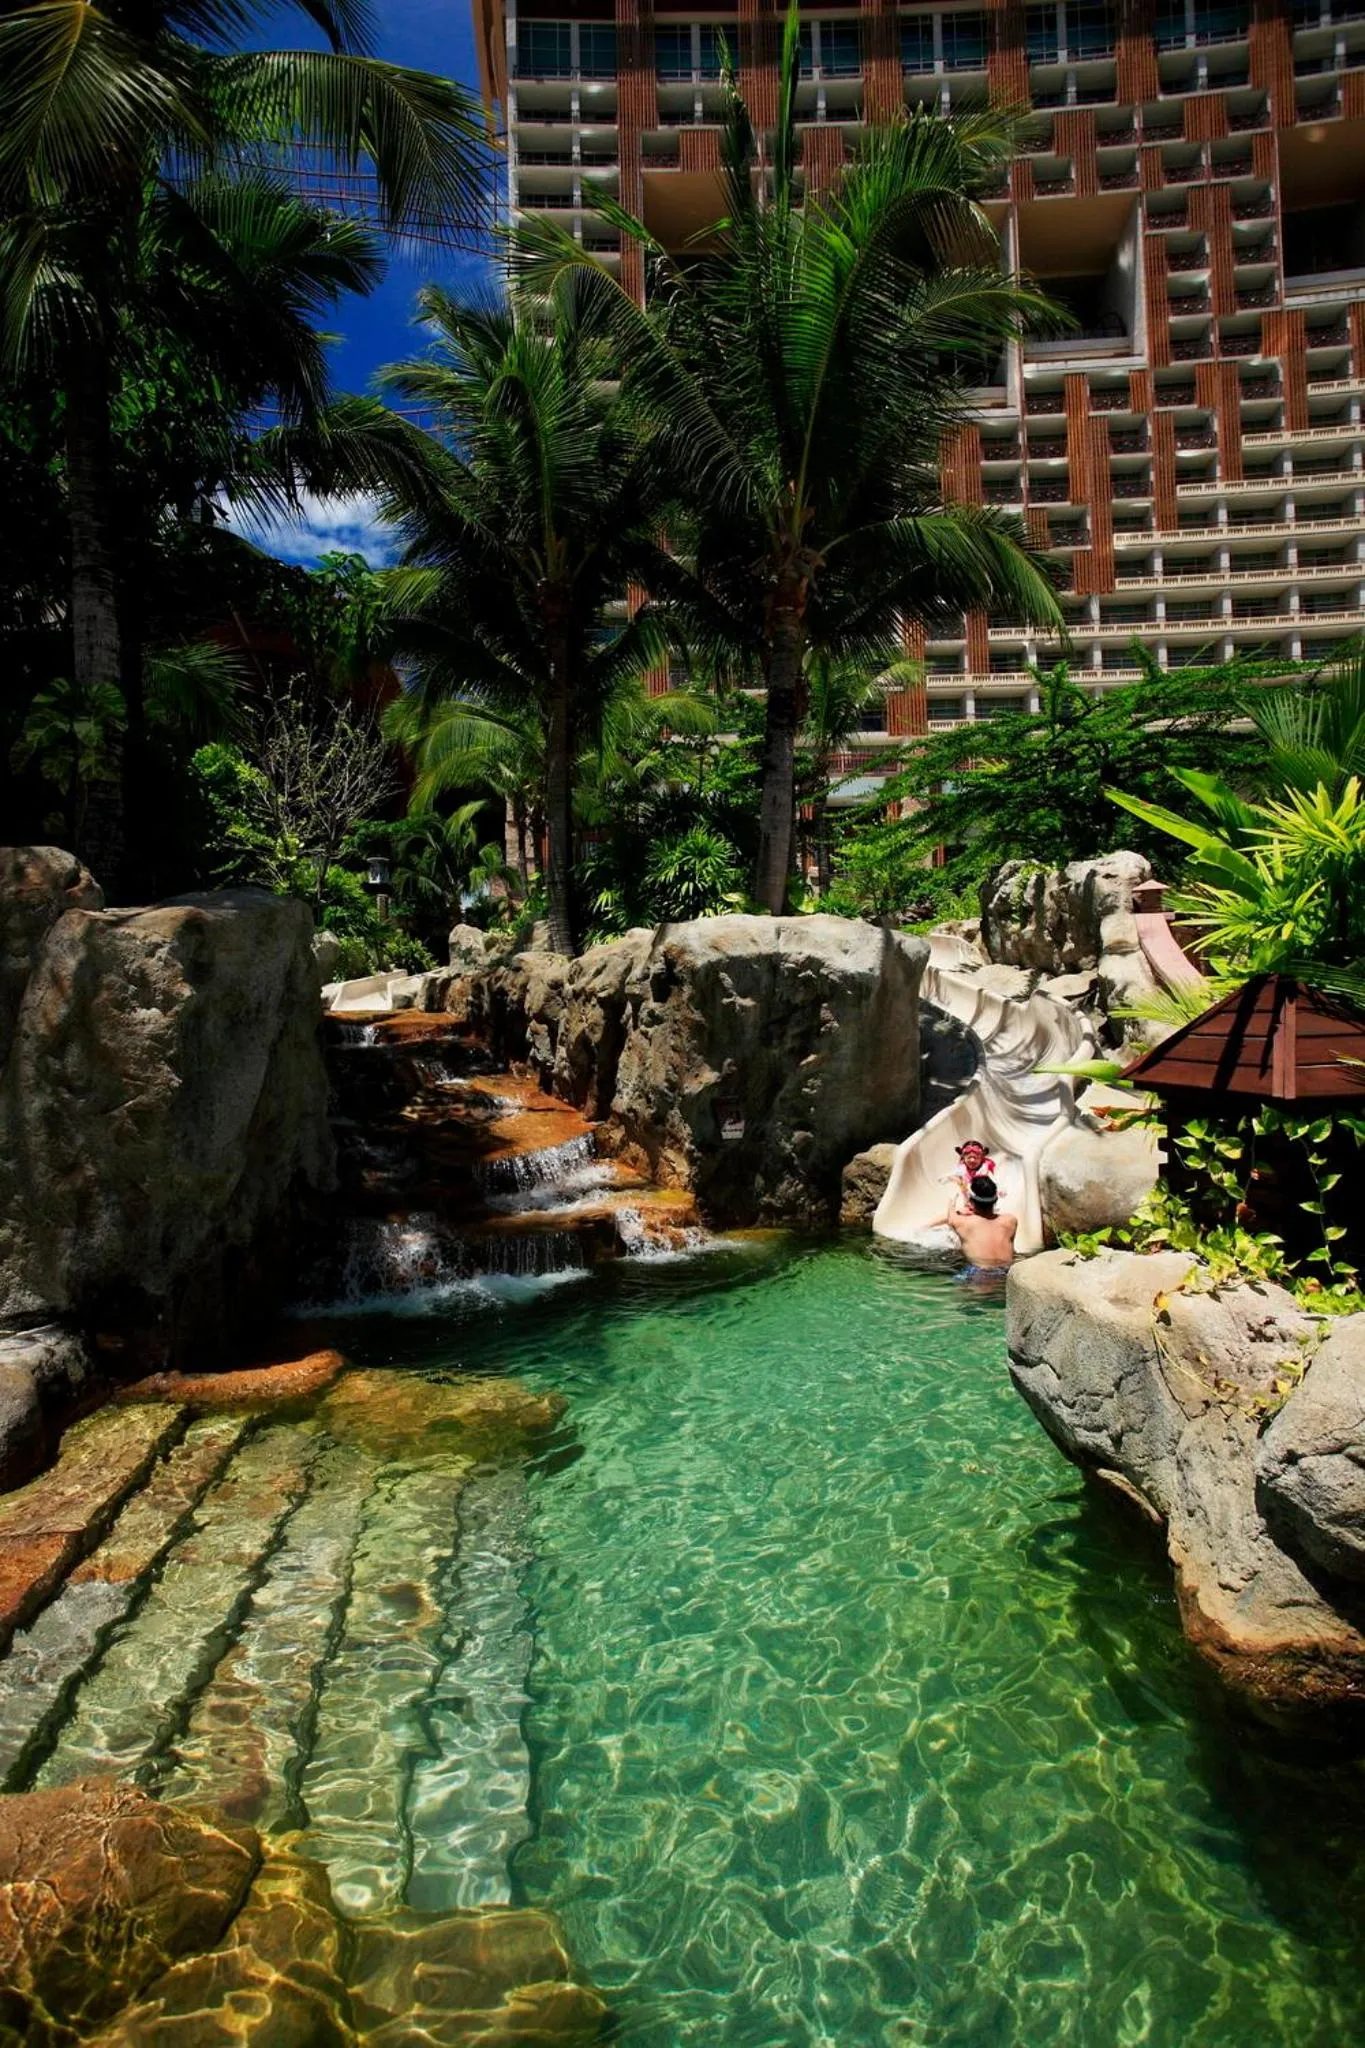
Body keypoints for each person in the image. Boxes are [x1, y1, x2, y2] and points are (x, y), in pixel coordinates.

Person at [933, 1172, 1018, 1276]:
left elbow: (950, 1217)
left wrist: (952, 1202)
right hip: (1007, 1272)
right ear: (995, 1199)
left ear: (971, 1202)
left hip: (979, 1274)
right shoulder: (1011, 1221)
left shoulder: (962, 1222)